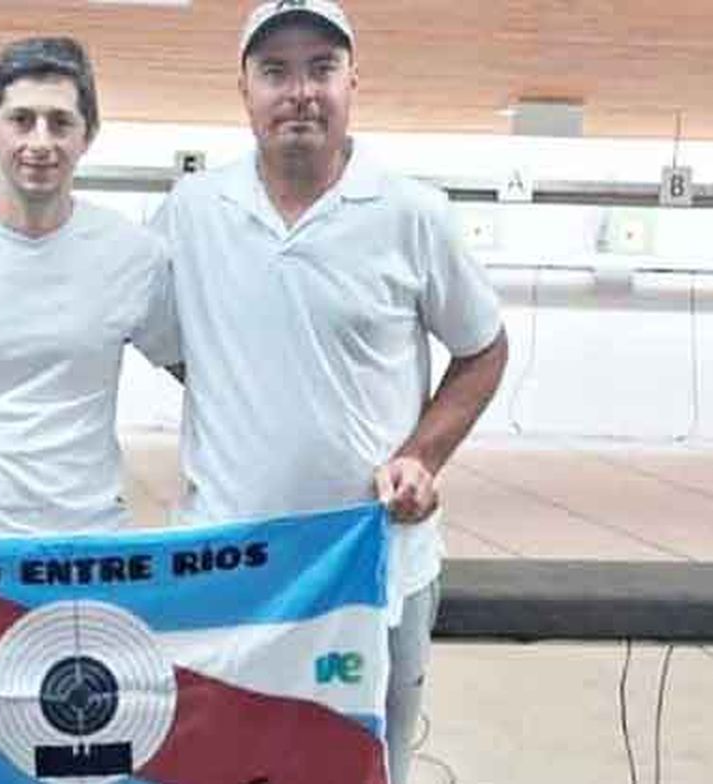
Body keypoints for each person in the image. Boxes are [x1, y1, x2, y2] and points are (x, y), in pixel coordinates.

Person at [149, 2, 509, 782]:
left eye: (321, 68)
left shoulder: (412, 213)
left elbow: (483, 349)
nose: (300, 92)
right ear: (243, 90)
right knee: (222, 765)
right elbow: (163, 339)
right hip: (231, 568)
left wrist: (422, 457)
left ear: (354, 82)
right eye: (275, 71)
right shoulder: (191, 212)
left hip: (377, 568)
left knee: (366, 766)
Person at [0, 37, 179, 537]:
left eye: (61, 122)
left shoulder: (134, 254)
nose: (40, 141)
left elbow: (207, 376)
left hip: (87, 545)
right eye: (21, 120)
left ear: (88, 133)